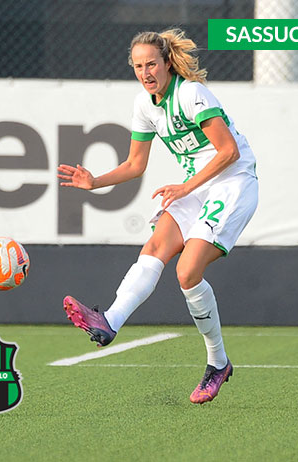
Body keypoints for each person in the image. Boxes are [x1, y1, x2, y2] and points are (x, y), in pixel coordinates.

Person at [57, 28, 258, 404]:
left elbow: (228, 151)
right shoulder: (144, 105)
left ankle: (218, 362)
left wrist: (184, 187)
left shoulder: (192, 94)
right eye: (138, 66)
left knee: (187, 272)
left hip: (233, 182)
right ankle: (110, 320)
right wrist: (95, 182)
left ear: (167, 63)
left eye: (151, 64)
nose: (145, 72)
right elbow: (135, 164)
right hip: (195, 186)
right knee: (154, 247)